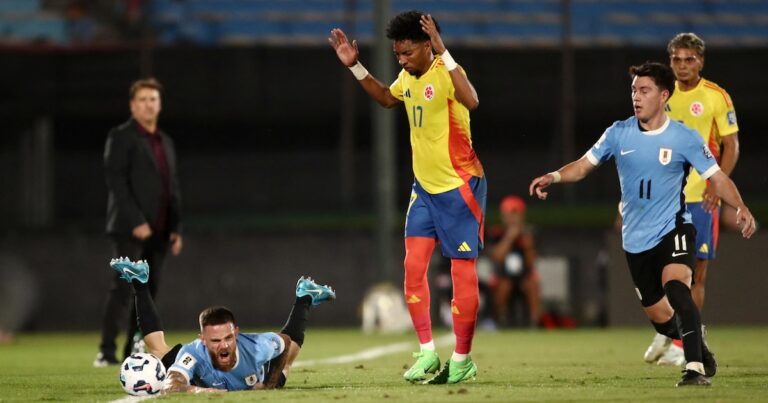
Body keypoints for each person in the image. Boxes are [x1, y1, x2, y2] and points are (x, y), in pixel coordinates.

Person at [529, 61, 756, 387]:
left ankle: (694, 369)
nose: (636, 96)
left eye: (644, 90)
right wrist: (553, 176)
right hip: (636, 239)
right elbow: (582, 166)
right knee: (662, 320)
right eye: (634, 90)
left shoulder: (684, 137)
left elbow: (717, 178)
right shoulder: (618, 133)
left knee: (679, 290)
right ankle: (697, 342)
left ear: (664, 95)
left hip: (674, 227)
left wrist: (741, 207)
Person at [329, 10, 485, 384]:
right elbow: (386, 97)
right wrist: (356, 67)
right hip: (424, 189)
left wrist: (444, 52)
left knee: (461, 273)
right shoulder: (408, 76)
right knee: (413, 269)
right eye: (398, 54)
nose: (401, 60)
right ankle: (428, 353)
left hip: (460, 187)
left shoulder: (446, 73)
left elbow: (473, 101)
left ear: (429, 45)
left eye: (407, 53)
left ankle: (462, 360)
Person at [644, 32, 741, 367]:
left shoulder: (715, 96)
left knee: (696, 274)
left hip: (701, 198)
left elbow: (732, 145)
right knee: (656, 270)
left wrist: (717, 185)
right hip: (661, 198)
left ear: (701, 61)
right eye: (676, 59)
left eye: (689, 59)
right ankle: (670, 329)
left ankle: (681, 342)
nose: (683, 65)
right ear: (670, 61)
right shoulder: (660, 93)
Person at [110, 257, 336, 392]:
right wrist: (200, 391)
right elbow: (173, 384)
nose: (223, 346)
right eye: (215, 340)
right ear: (202, 339)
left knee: (287, 363)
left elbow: (284, 341)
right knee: (157, 349)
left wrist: (269, 384)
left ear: (236, 334)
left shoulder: (256, 347)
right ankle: (140, 284)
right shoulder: (192, 353)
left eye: (227, 338)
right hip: (202, 376)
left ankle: (304, 297)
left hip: (258, 375)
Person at [95, 78, 184, 367]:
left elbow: (171, 188)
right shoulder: (121, 136)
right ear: (133, 105)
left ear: (160, 104)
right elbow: (116, 182)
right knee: (123, 289)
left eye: (153, 99)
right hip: (129, 228)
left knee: (148, 291)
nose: (149, 104)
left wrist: (175, 227)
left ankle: (134, 347)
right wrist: (135, 219)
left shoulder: (165, 141)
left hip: (159, 230)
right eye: (143, 99)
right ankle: (106, 350)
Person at [488, 195, 540, 328]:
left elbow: (531, 263)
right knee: (504, 285)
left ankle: (535, 324)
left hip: (524, 276)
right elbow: (497, 257)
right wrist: (510, 237)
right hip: (502, 276)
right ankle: (497, 322)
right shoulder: (497, 233)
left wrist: (528, 246)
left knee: (532, 284)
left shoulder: (529, 233)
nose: (513, 218)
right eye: (510, 214)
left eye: (516, 214)